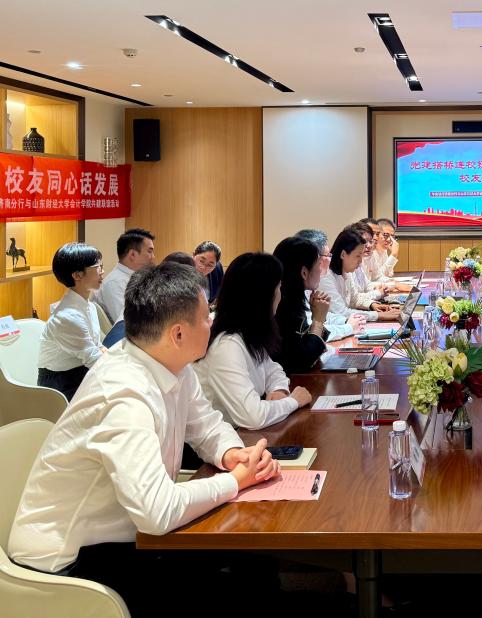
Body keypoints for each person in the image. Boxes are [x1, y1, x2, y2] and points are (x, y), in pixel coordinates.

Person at [9, 262, 280, 615]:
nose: (212, 322)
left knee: (250, 560)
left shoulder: (168, 362)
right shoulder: (124, 394)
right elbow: (158, 512)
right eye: (205, 317)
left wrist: (230, 453)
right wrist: (234, 481)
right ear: (177, 334)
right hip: (66, 564)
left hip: (125, 534)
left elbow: (206, 425)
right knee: (237, 586)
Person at [195, 252, 312, 429]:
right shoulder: (227, 346)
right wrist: (293, 401)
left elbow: (273, 370)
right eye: (278, 288)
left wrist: (278, 389)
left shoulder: (247, 333)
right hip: (225, 439)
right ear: (263, 296)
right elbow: (253, 417)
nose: (280, 295)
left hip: (240, 434)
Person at [37, 242, 106, 400]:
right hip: (60, 385)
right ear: (77, 275)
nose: (102, 271)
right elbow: (94, 359)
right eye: (98, 267)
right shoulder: (67, 317)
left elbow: (98, 348)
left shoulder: (88, 306)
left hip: (81, 371)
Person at [271, 236, 333, 374]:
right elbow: (301, 362)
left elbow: (305, 343)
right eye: (318, 265)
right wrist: (318, 320)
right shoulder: (283, 306)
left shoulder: (294, 298)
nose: (321, 270)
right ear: (304, 272)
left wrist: (318, 318)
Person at [319, 229, 401, 322]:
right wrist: (377, 315)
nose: (361, 261)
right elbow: (342, 312)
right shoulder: (326, 276)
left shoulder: (346, 271)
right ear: (343, 254)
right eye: (358, 256)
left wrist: (372, 305)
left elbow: (354, 299)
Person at [92, 228, 155, 323]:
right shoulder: (115, 283)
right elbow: (129, 323)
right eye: (149, 251)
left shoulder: (137, 279)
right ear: (132, 254)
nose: (153, 257)